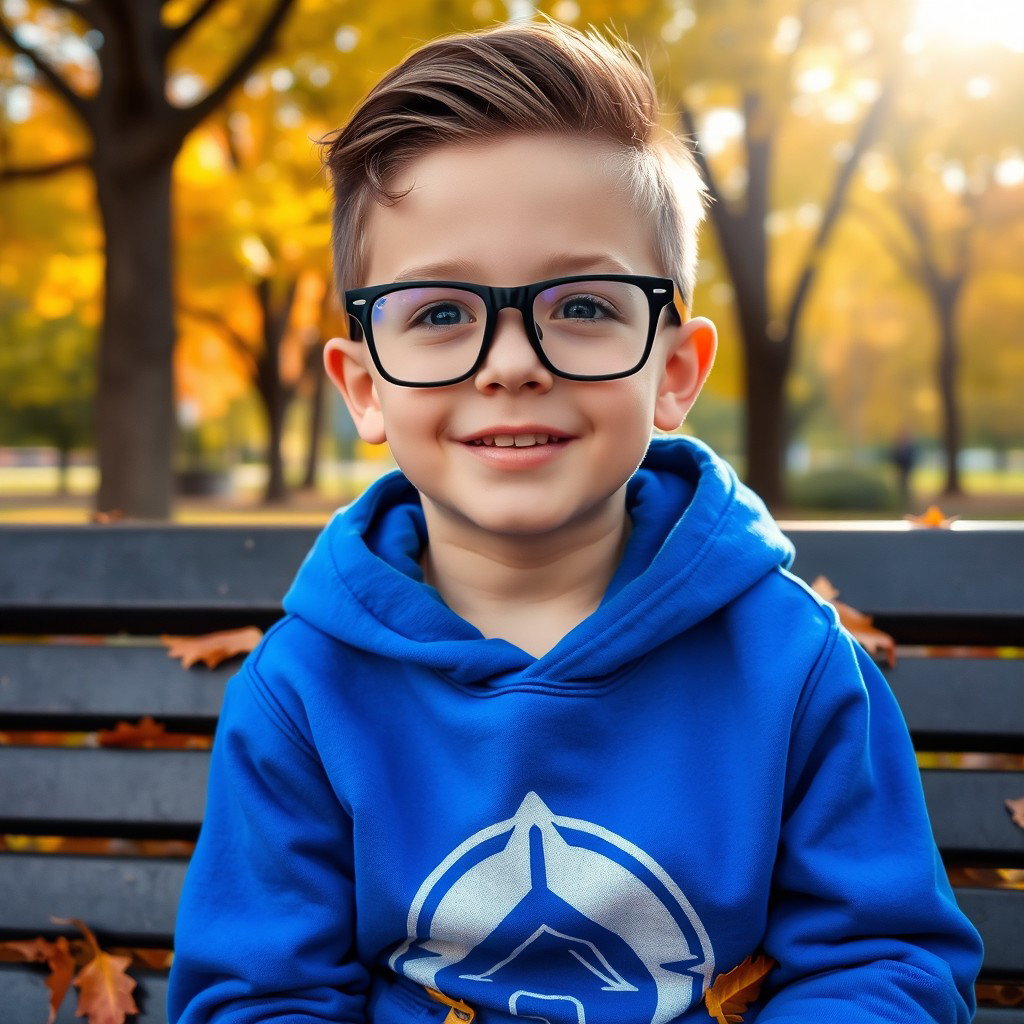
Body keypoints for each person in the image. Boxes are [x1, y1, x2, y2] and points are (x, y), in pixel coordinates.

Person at [166, 18, 983, 1024]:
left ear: (674, 371)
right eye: (439, 312)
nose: (513, 360)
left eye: (583, 306)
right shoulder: (302, 693)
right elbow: (261, 998)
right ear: (364, 387)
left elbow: (882, 962)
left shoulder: (792, 665)